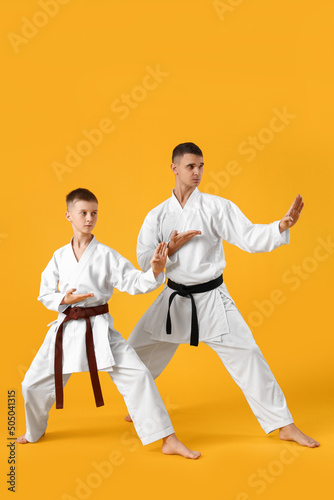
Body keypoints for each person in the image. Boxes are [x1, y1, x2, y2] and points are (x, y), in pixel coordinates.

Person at [126, 142, 319, 448]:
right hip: (174, 297)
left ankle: (283, 424)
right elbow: (144, 260)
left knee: (248, 355)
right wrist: (169, 252)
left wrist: (280, 227)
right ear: (175, 168)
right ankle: (141, 407)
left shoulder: (216, 207)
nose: (198, 172)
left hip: (211, 298)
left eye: (201, 166)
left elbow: (249, 236)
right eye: (191, 166)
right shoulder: (158, 215)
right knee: (132, 352)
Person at [17, 188, 201, 459]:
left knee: (139, 376)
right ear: (69, 215)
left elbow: (135, 283)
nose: (89, 218)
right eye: (83, 213)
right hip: (66, 328)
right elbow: (44, 293)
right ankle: (34, 431)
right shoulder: (59, 256)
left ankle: (168, 439)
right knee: (30, 384)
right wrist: (63, 298)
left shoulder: (106, 255)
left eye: (94, 213)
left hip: (99, 329)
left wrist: (155, 270)